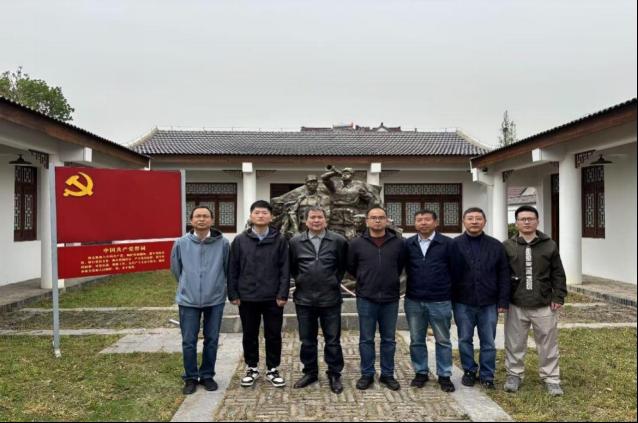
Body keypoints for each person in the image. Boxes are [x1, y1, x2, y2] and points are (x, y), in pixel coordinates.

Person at [502, 205, 567, 396]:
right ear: (516, 223)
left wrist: (558, 296)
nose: (527, 222)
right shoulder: (508, 246)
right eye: (522, 219)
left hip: (543, 302)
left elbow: (558, 272)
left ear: (537, 221)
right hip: (516, 302)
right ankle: (514, 375)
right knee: (514, 342)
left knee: (548, 343)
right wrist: (502, 300)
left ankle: (551, 378)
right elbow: (502, 275)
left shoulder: (549, 244)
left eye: (530, 219)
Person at [228, 200, 290, 388]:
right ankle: (251, 367)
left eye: (264, 213)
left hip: (273, 297)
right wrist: (233, 293)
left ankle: (273, 368)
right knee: (249, 333)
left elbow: (285, 269)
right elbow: (232, 268)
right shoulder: (240, 240)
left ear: (271, 217)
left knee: (273, 334)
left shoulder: (280, 240)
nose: (261, 216)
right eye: (257, 212)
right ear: (251, 216)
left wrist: (283, 294)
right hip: (247, 296)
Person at [170, 205, 230, 395]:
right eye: (198, 216)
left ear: (212, 220)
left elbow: (227, 268)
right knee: (189, 341)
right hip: (188, 300)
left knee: (212, 339)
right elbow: (176, 269)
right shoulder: (181, 243)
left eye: (205, 216)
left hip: (215, 299)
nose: (201, 219)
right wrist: (188, 285)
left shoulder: (223, 243)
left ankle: (207, 375)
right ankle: (190, 377)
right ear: (191, 220)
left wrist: (220, 288)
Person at [289, 206, 348, 394]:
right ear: (305, 221)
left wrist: (332, 281)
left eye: (319, 217)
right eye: (312, 217)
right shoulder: (295, 242)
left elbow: (342, 267)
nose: (316, 220)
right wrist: (301, 279)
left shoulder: (338, 241)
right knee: (307, 340)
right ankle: (310, 372)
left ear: (325, 220)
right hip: (304, 299)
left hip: (330, 298)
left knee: (333, 340)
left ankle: (334, 373)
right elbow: (293, 267)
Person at [450, 207, 510, 390]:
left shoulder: (496, 245)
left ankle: (487, 374)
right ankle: (469, 370)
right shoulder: (454, 245)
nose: (474, 221)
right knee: (464, 339)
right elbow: (448, 273)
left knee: (488, 341)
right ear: (463, 221)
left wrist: (503, 300)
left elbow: (504, 274)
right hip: (462, 301)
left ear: (485, 222)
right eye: (470, 218)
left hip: (489, 301)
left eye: (478, 218)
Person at [347, 206, 406, 391]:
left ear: (387, 220)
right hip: (366, 297)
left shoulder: (398, 243)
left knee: (389, 339)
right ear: (367, 221)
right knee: (366, 339)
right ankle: (367, 374)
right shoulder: (356, 243)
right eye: (373, 217)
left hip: (390, 298)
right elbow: (351, 267)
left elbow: (400, 266)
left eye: (381, 217)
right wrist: (365, 279)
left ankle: (387, 374)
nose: (377, 220)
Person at [404, 209, 455, 392]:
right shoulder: (408, 244)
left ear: (436, 222)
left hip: (440, 300)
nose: (423, 223)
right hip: (414, 300)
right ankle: (421, 372)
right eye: (419, 220)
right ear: (415, 223)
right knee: (416, 339)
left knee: (443, 340)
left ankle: (445, 375)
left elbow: (456, 270)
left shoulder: (448, 243)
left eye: (427, 220)